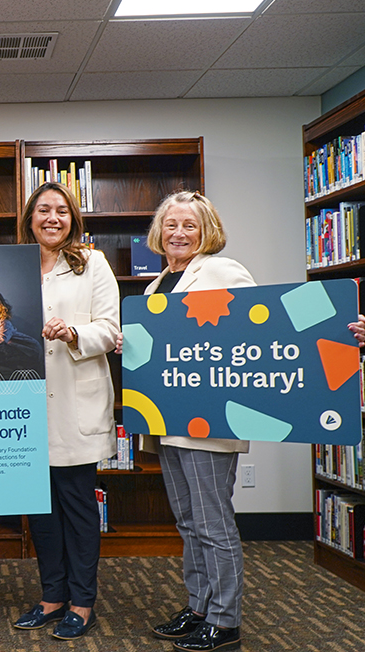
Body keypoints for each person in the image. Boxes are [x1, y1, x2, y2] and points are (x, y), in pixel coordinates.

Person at [138, 190, 253, 652]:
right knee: (188, 521)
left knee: (212, 522)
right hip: (169, 419)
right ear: (159, 233)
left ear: (207, 231)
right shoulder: (157, 284)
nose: (179, 233)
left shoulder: (221, 271)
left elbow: (263, 327)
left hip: (209, 418)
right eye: (171, 225)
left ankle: (226, 620)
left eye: (189, 225)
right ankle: (200, 606)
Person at [11, 182, 119, 641]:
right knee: (41, 512)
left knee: (76, 508)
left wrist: (74, 334)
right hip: (25, 406)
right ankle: (51, 596)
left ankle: (82, 602)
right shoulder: (14, 265)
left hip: (77, 401)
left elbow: (112, 331)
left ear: (73, 217)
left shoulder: (91, 263)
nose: (52, 218)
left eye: (60, 211)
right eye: (43, 210)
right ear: (29, 218)